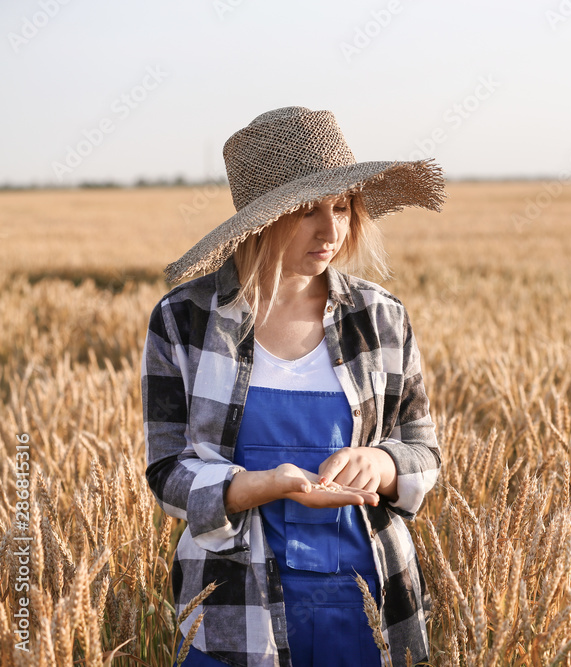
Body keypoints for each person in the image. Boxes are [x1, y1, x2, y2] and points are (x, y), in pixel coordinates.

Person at [141, 106, 446, 667]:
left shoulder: (381, 318)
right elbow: (166, 474)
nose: (332, 231)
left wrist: (380, 466)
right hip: (232, 603)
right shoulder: (183, 320)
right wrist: (258, 486)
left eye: (342, 207)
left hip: (369, 598)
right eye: (307, 211)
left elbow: (424, 453)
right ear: (262, 219)